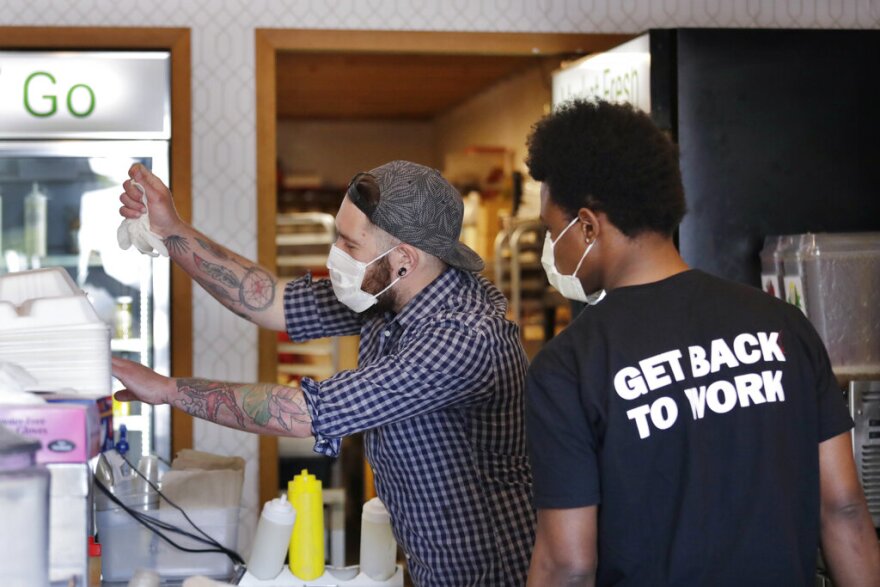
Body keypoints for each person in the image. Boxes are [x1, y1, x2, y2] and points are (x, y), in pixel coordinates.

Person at [111, 160, 534, 586]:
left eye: (350, 245)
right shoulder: (387, 293)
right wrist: (172, 230)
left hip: (495, 575)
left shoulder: (465, 337)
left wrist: (166, 390)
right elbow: (270, 301)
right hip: (432, 567)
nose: (336, 256)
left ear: (404, 259)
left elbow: (304, 414)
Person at [523, 99, 880, 586]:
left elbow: (568, 565)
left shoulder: (569, 366)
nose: (552, 248)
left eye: (551, 229)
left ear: (587, 226)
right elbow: (842, 508)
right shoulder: (783, 326)